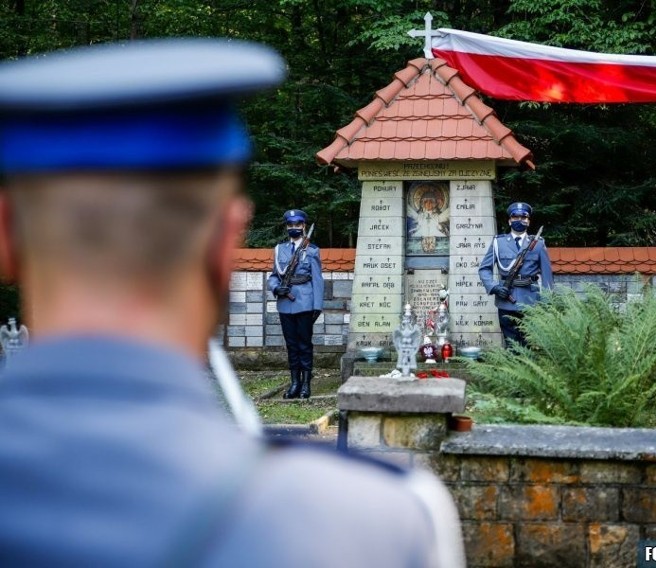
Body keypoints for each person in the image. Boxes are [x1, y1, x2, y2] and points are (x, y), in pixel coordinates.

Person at [0, 39, 463, 567]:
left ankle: (302, 381)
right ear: (224, 245)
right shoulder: (383, 521)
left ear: (7, 235)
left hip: (300, 307)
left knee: (302, 351)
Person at [479, 202, 554, 347]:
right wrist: (494, 287)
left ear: (528, 221)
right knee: (511, 344)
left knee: (530, 344)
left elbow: (547, 276)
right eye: (515, 217)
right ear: (509, 220)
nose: (520, 220)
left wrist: (547, 302)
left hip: (531, 301)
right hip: (506, 299)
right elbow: (484, 269)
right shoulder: (498, 243)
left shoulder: (538, 244)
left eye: (523, 217)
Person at [267, 208, 323, 399]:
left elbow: (317, 279)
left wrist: (317, 305)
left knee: (304, 345)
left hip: (306, 303)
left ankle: (306, 384)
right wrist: (276, 289)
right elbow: (274, 276)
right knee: (291, 345)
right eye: (290, 225)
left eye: (297, 224)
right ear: (287, 227)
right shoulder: (279, 250)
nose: (294, 227)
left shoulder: (312, 250)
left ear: (303, 226)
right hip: (285, 304)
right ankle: (295, 383)